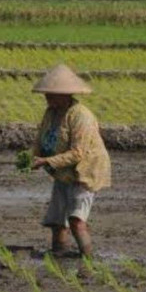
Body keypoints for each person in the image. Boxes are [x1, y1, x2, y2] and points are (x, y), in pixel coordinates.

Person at [30, 64, 111, 258]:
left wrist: (45, 161)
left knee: (76, 220)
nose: (47, 98)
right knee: (57, 220)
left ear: (65, 95)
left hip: (85, 171)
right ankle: (59, 254)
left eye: (51, 94)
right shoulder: (51, 112)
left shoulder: (80, 115)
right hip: (62, 170)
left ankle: (88, 258)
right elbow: (40, 137)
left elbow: (78, 153)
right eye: (46, 94)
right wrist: (32, 156)